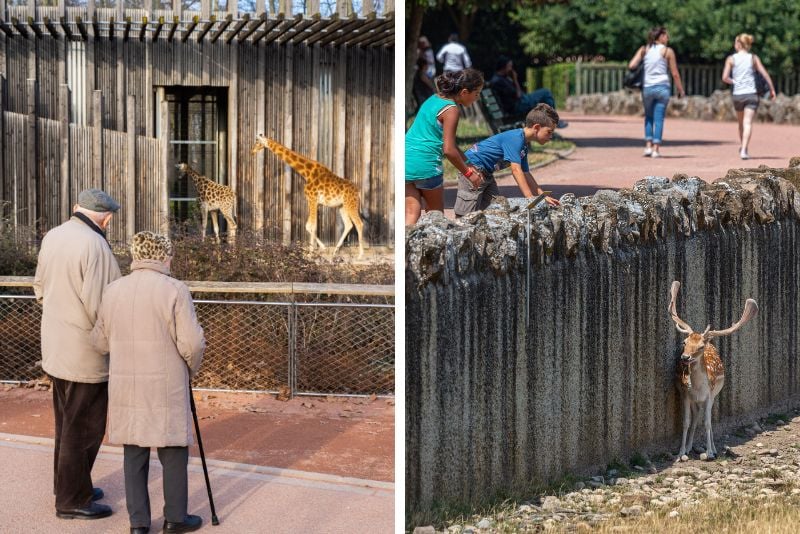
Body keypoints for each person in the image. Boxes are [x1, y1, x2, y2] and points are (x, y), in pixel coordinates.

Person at [91, 231, 206, 534]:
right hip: (165, 383)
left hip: (126, 383)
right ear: (165, 256)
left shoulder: (113, 290)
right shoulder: (175, 289)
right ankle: (175, 519)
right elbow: (192, 344)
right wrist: (190, 368)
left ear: (135, 256)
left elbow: (100, 341)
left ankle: (139, 524)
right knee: (172, 449)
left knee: (134, 453)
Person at [32, 188, 122, 520]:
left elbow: (39, 289)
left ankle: (69, 484)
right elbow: (103, 305)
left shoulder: (53, 236)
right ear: (107, 218)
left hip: (56, 346)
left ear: (75, 208)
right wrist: (113, 345)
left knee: (67, 421)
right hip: (86, 352)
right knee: (84, 427)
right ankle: (72, 499)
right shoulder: (95, 245)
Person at [405, 68, 486, 225]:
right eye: (476, 93)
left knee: (411, 212)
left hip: (405, 161)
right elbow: (448, 150)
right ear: (464, 92)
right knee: (435, 217)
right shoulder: (451, 110)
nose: (477, 98)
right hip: (426, 164)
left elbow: (450, 143)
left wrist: (468, 163)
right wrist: (469, 174)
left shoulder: (433, 99)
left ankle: (405, 248)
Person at [454, 103, 561, 217]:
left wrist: (542, 196)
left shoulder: (523, 145)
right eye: (549, 132)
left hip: (487, 174)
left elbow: (525, 173)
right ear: (536, 127)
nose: (551, 137)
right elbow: (516, 170)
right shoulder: (516, 139)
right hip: (472, 168)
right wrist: (530, 199)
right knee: (465, 216)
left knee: (496, 212)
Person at [628, 26, 685, 158]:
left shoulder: (644, 49)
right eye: (666, 35)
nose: (668, 38)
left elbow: (632, 65)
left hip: (647, 87)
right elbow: (675, 73)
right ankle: (656, 149)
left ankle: (648, 146)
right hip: (662, 87)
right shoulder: (668, 51)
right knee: (659, 119)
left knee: (648, 117)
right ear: (660, 36)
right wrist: (680, 90)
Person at [721, 33, 776, 160]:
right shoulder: (753, 58)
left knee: (741, 123)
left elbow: (724, 77)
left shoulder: (731, 59)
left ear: (739, 44)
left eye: (735, 42)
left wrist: (734, 82)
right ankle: (744, 149)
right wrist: (772, 89)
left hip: (738, 95)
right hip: (751, 94)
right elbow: (765, 74)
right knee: (748, 123)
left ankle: (743, 146)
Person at [489, 56, 568, 128]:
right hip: (518, 106)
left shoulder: (499, 79)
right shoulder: (499, 81)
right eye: (509, 66)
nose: (511, 69)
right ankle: (553, 121)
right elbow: (518, 95)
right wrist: (515, 79)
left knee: (545, 95)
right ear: (504, 67)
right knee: (546, 93)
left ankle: (551, 121)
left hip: (519, 103)